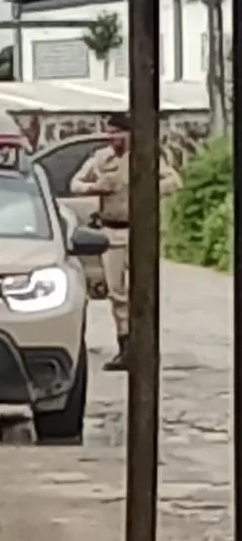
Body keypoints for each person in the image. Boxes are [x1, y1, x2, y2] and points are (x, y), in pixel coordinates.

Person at [70, 112, 181, 371]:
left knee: (142, 291)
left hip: (139, 230)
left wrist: (144, 187)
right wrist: (95, 188)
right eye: (109, 132)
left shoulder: (144, 155)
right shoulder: (100, 158)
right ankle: (125, 347)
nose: (112, 138)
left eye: (117, 132)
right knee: (116, 293)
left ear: (129, 134)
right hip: (112, 230)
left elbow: (174, 181)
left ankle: (145, 348)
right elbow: (75, 183)